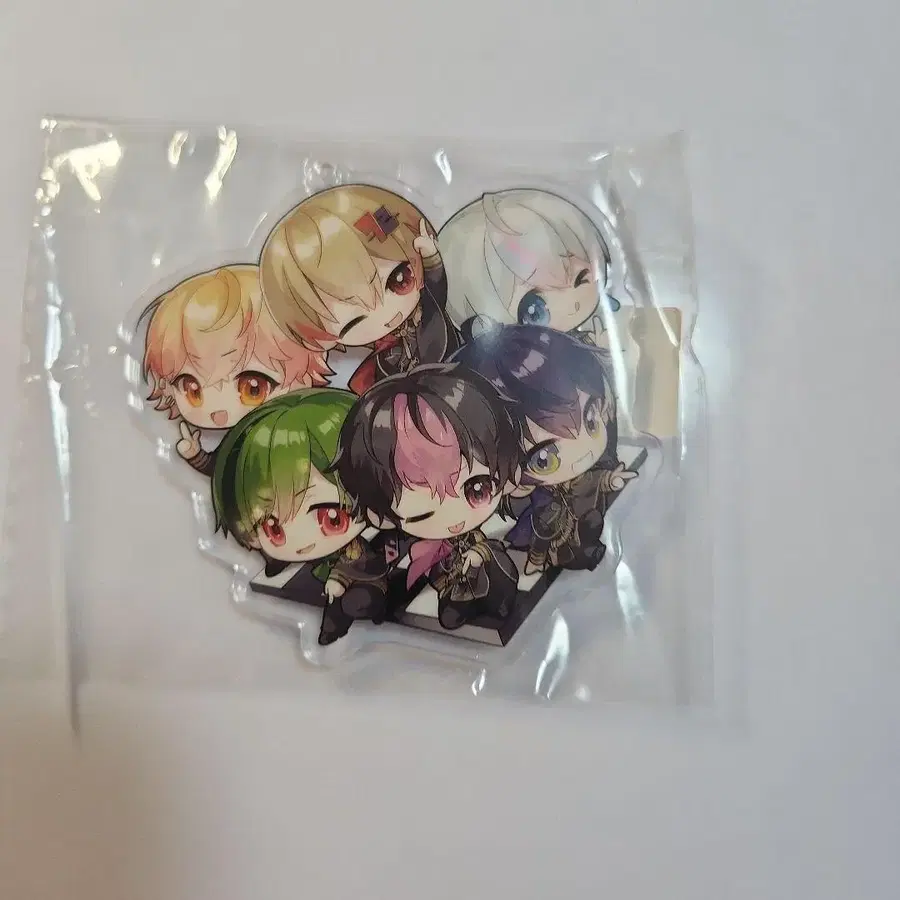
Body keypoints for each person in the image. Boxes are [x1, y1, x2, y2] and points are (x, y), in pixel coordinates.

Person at [333, 364, 521, 629]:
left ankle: (496, 601)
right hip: (448, 574)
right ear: (379, 516)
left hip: (485, 567)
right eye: (422, 514)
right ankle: (458, 601)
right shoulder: (410, 542)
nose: (454, 518)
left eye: (478, 490)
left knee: (496, 582)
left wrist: (478, 554)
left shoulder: (474, 533)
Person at [453, 324, 637, 573]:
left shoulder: (583, 474)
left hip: (587, 519)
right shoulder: (538, 499)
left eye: (591, 419)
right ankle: (552, 558)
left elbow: (593, 480)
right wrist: (536, 560)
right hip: (552, 525)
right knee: (546, 527)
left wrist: (610, 479)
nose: (582, 451)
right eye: (544, 459)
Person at [211, 389, 388, 646]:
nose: (304, 541)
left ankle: (349, 615)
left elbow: (361, 563)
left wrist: (338, 580)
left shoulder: (357, 545)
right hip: (322, 579)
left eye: (333, 519)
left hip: (362, 576)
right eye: (274, 529)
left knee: (355, 600)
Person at [259, 185, 460, 394]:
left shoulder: (427, 316)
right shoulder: (381, 366)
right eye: (353, 323)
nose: (388, 317)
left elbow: (436, 290)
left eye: (400, 280)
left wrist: (431, 258)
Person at [141, 264, 330, 476]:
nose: (219, 413)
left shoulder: (314, 424)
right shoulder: (240, 440)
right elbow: (221, 469)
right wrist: (196, 456)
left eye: (253, 389)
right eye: (193, 390)